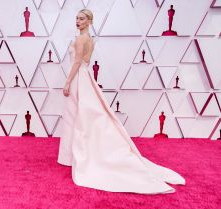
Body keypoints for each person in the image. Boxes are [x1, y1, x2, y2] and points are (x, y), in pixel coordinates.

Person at [57, 9, 185, 194]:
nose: (77, 21)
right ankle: (75, 155)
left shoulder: (80, 40)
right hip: (85, 78)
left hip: (78, 78)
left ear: (89, 21)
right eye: (76, 18)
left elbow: (77, 62)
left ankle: (75, 156)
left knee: (77, 117)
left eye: (82, 19)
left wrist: (67, 82)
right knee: (84, 117)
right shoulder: (90, 39)